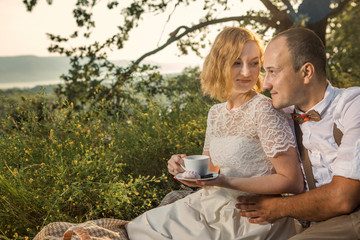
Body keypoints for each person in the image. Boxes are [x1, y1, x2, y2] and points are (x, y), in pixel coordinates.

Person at [126, 27, 304, 239]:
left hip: (251, 217)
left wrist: (224, 181)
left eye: (254, 63)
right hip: (210, 204)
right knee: (141, 228)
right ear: (219, 64)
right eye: (237, 62)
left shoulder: (264, 110)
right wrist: (182, 169)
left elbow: (292, 181)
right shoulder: (216, 113)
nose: (247, 72)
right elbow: (209, 172)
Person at [236, 27, 360, 240]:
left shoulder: (352, 106)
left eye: (273, 72)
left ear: (306, 72)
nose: (265, 84)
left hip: (353, 217)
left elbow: (343, 197)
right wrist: (187, 166)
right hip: (304, 222)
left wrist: (277, 207)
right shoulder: (278, 115)